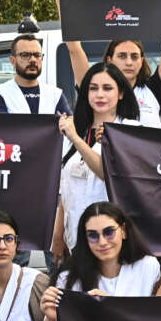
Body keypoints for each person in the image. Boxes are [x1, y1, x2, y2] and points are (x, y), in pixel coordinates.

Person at [51, 0, 161, 127]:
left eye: (134, 56)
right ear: (109, 59)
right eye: (122, 56)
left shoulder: (153, 89)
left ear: (142, 60)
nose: (129, 62)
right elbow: (74, 49)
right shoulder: (97, 87)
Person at [54, 62, 142, 258]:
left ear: (121, 93)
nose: (100, 95)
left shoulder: (129, 129)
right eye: (93, 89)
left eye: (107, 88)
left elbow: (106, 173)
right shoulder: (76, 130)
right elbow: (66, 190)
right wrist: (58, 236)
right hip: (76, 240)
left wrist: (75, 138)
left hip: (111, 241)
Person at [0, 35, 70, 115]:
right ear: (13, 61)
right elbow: (0, 128)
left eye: (37, 55)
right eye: (25, 55)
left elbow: (71, 125)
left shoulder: (55, 94)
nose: (33, 60)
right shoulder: (0, 93)